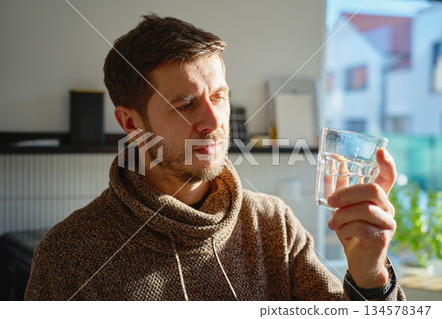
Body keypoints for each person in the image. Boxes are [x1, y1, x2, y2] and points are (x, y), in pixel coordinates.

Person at [25, 14, 405, 301]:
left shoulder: (274, 226)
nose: (213, 121)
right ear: (130, 122)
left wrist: (370, 272)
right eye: (186, 104)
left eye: (219, 96)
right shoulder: (68, 252)